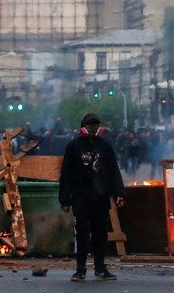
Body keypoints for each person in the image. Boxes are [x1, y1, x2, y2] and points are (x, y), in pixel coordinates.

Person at [59, 113, 125, 281]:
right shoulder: (73, 146)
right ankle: (80, 269)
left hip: (101, 196)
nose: (92, 129)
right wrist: (64, 199)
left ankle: (100, 268)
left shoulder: (105, 146)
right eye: (89, 126)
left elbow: (113, 171)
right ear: (83, 127)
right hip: (80, 196)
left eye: (95, 126)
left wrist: (119, 193)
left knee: (100, 234)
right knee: (81, 232)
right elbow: (65, 174)